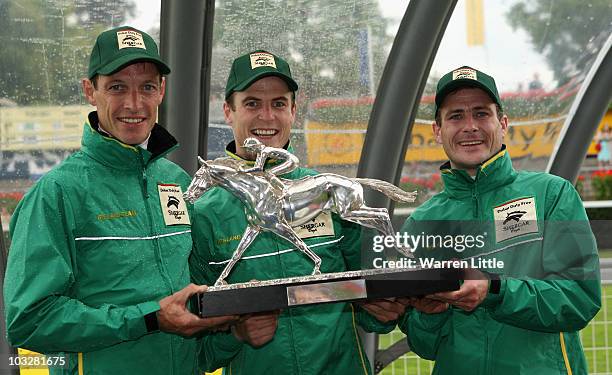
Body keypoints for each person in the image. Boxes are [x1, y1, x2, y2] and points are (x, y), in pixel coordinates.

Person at [3, 26, 236, 375]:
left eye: (146, 87)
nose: (134, 103)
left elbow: (196, 326)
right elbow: (28, 320)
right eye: (116, 87)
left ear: (162, 91)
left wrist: (235, 329)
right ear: (89, 91)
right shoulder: (57, 194)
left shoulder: (176, 182)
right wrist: (148, 319)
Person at [189, 50, 408, 374]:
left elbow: (368, 306)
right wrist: (236, 334)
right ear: (228, 111)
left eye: (278, 103)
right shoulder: (204, 214)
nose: (267, 117)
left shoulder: (325, 193)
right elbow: (198, 350)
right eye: (252, 103)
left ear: (293, 111)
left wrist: (382, 309)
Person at [398, 66, 601, 374]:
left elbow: (580, 299)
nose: (470, 126)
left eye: (481, 113)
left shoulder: (551, 194)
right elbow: (424, 345)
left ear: (503, 123)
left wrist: (495, 290)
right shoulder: (422, 223)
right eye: (455, 116)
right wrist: (429, 313)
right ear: (437, 130)